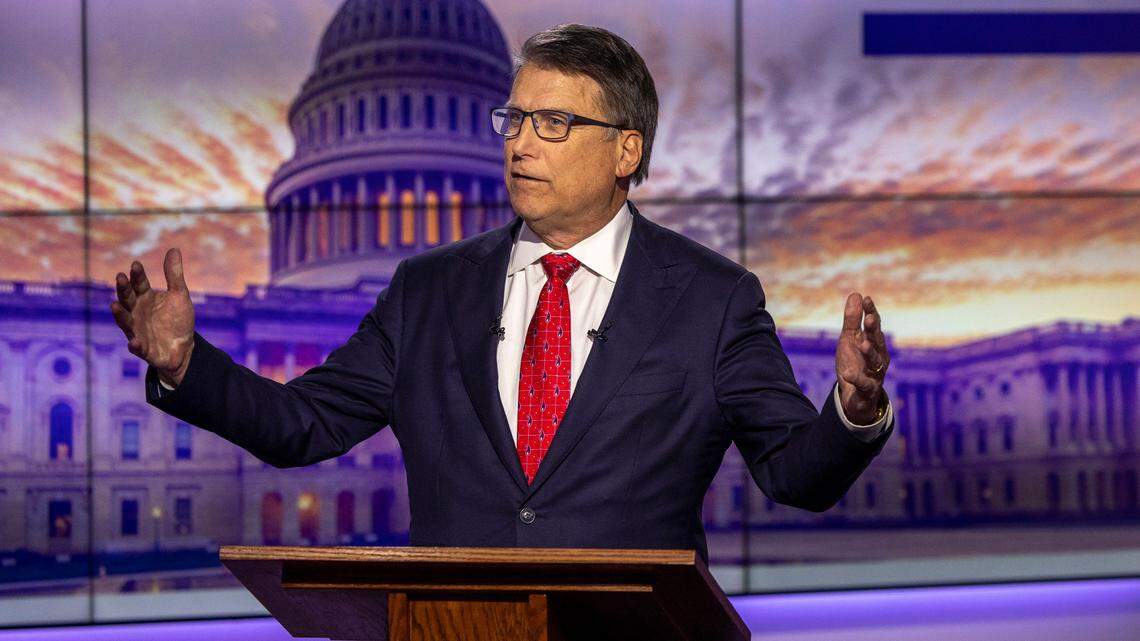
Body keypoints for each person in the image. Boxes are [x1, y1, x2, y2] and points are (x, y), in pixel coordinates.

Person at [110, 24, 893, 562]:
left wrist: (853, 411)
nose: (518, 141)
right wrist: (185, 362)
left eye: (551, 122)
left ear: (627, 149)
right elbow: (300, 424)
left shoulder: (712, 298)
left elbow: (796, 472)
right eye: (513, 117)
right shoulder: (428, 290)